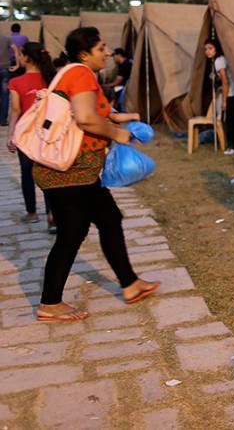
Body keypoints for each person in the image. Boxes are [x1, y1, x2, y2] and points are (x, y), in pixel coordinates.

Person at [33, 27, 160, 322]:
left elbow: (93, 110)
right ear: (84, 53)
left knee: (107, 219)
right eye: (101, 48)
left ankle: (130, 283)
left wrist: (120, 118)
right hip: (70, 171)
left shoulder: (73, 73)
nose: (107, 53)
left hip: (76, 171)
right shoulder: (80, 74)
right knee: (73, 232)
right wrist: (119, 134)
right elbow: (87, 118)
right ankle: (50, 303)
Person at [6, 42, 55, 229]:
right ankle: (52, 214)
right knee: (49, 174)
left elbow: (15, 111)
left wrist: (10, 135)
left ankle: (32, 213)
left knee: (27, 174)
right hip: (47, 133)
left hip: (25, 136)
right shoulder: (51, 79)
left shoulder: (16, 82)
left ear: (26, 58)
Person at [204, 38, 234, 154]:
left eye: (210, 48)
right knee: (233, 120)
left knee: (232, 121)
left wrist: (224, 101)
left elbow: (225, 81)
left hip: (231, 94)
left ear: (216, 48)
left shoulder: (219, 61)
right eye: (206, 49)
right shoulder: (221, 60)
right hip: (233, 92)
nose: (208, 51)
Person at [0, 31, 21, 126]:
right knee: (5, 95)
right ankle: (3, 120)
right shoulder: (7, 39)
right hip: (5, 68)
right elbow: (15, 49)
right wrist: (17, 64)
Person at [102, 48, 132, 112]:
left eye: (114, 56)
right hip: (126, 86)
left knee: (111, 91)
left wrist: (106, 85)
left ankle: (110, 110)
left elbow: (117, 82)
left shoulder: (124, 65)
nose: (113, 58)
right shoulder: (126, 63)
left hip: (124, 87)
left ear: (119, 55)